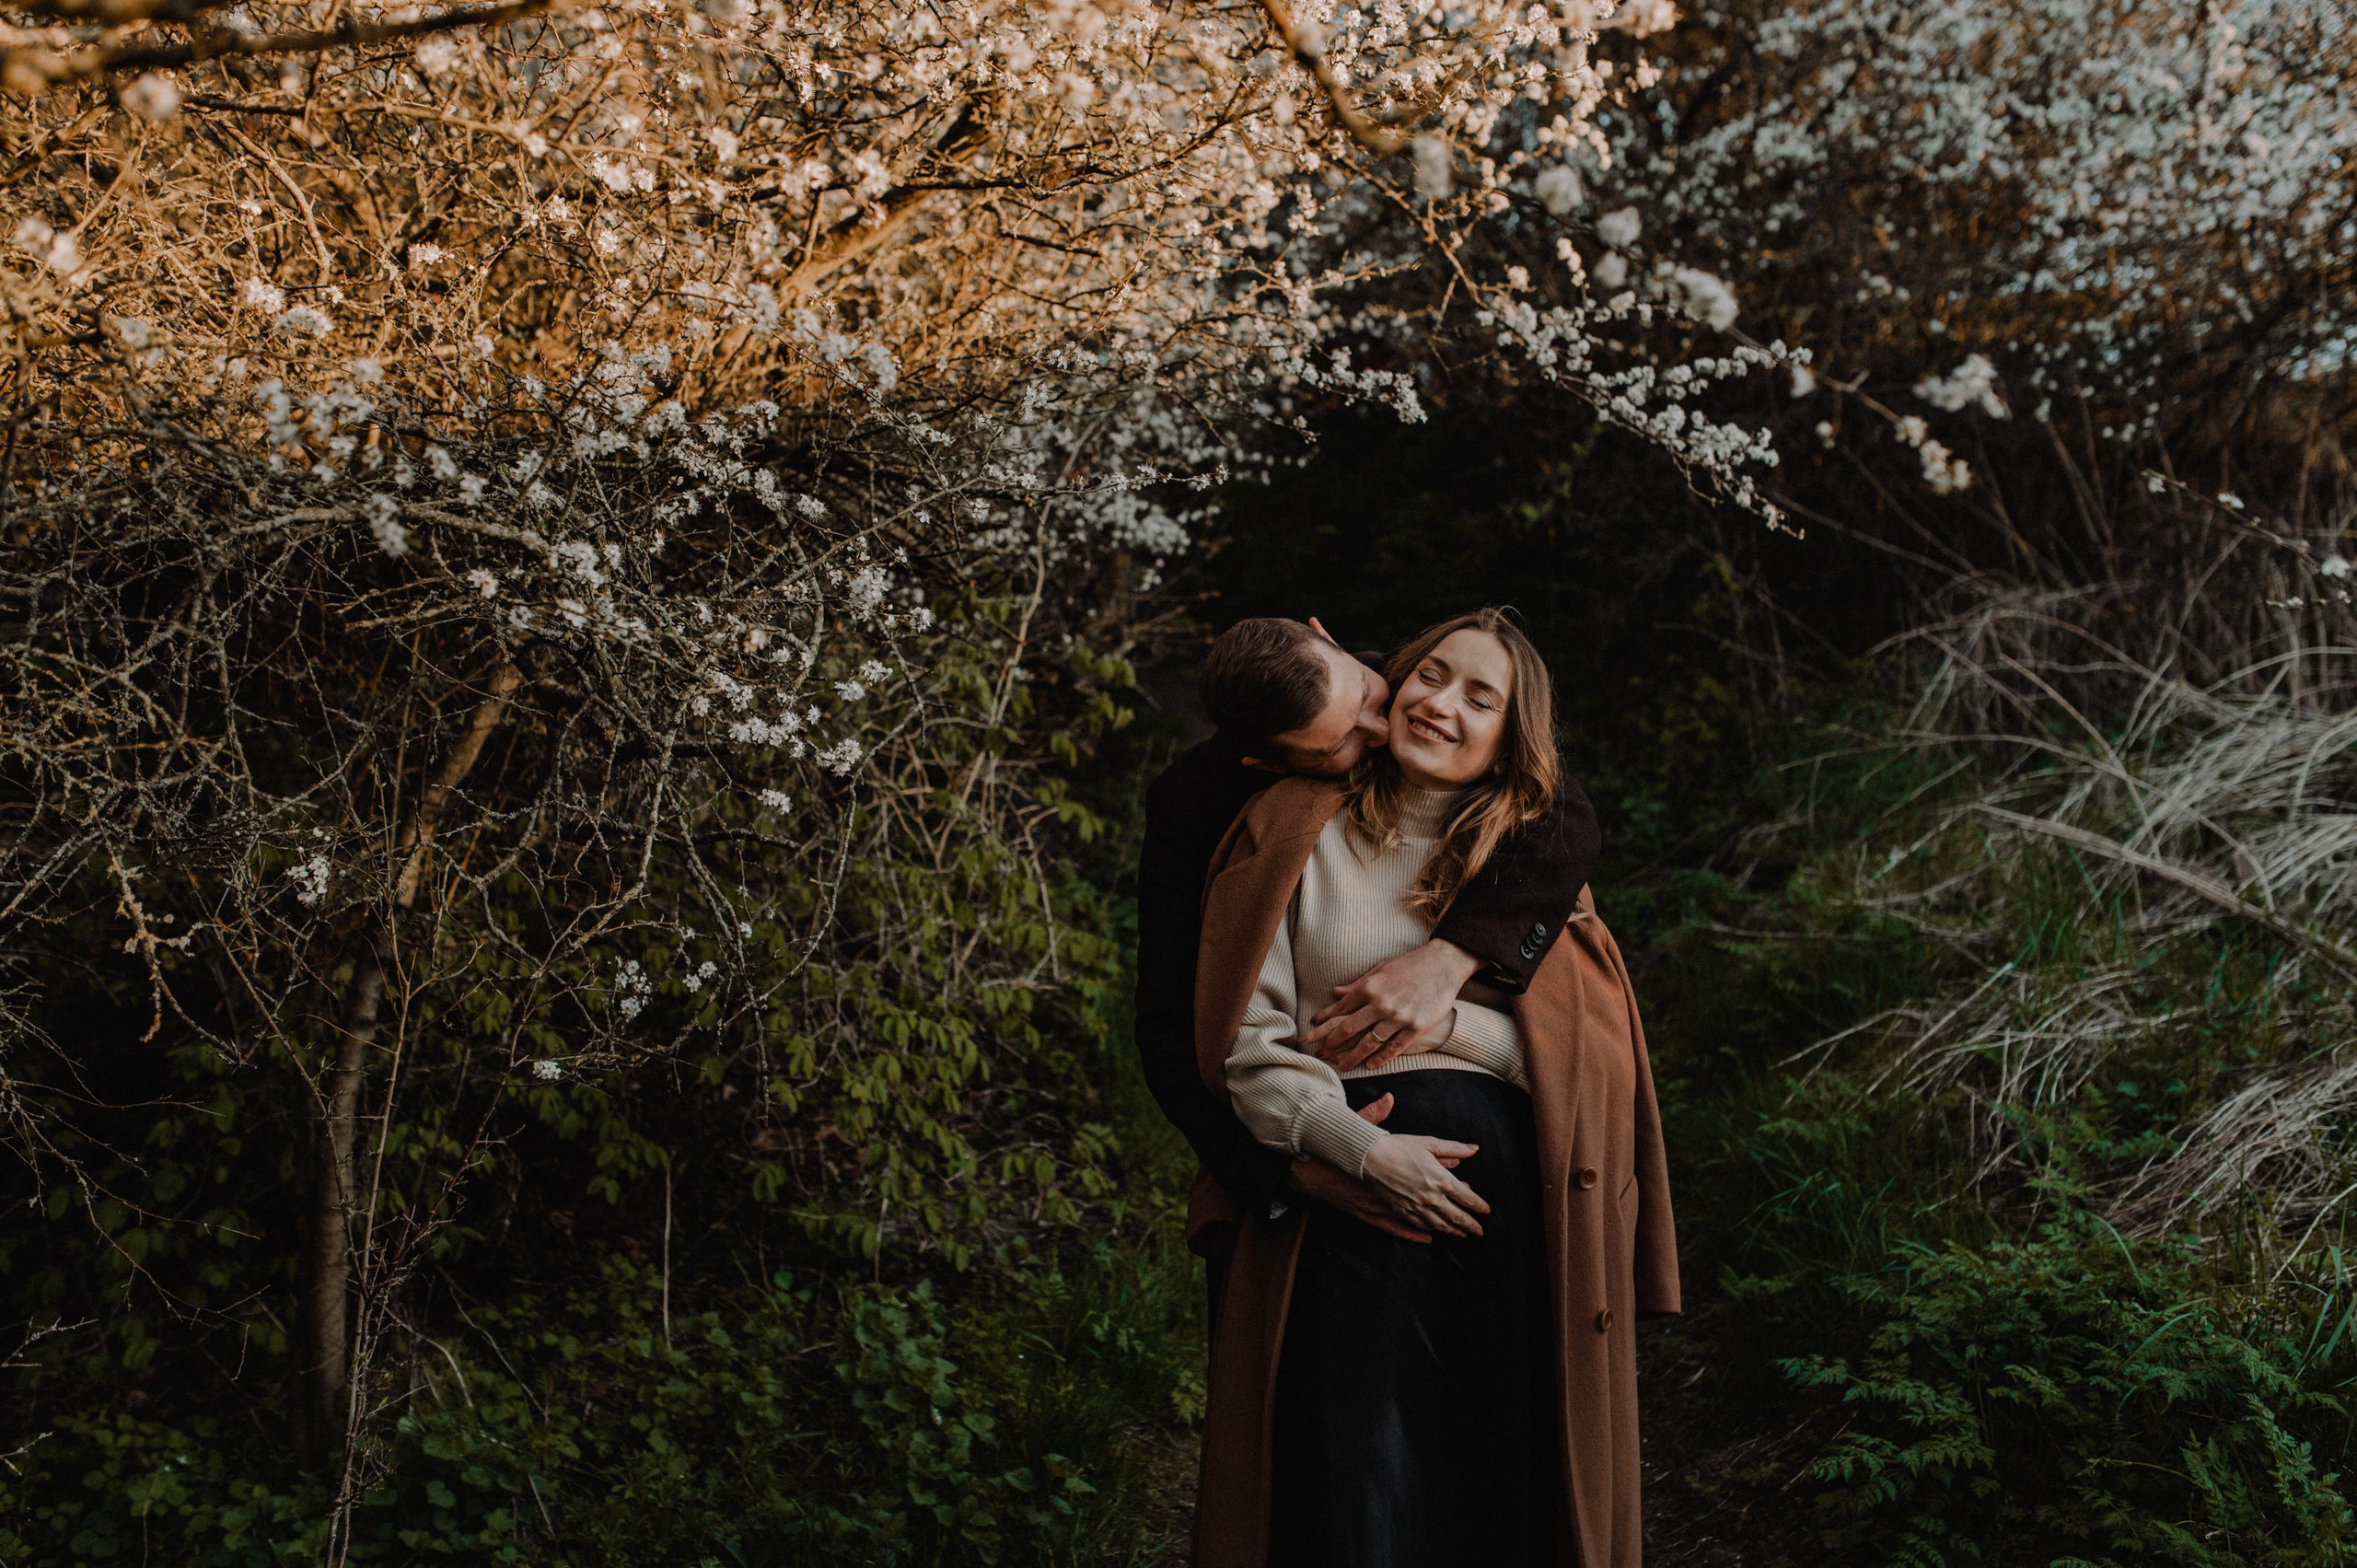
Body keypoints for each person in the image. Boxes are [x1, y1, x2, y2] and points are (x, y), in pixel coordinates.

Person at [1188, 610, 1678, 1568]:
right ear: (1394, 680)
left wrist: (1443, 1018)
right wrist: (1360, 1146)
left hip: (1507, 1222)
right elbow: (1244, 1041)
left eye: (1479, 695)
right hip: (1346, 1207)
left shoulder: (1534, 868)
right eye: (1431, 675)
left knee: (1495, 1477)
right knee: (1352, 1476)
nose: (1442, 704)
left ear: (1509, 735)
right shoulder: (1288, 830)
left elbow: (1591, 1068)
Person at [1132, 614, 1600, 1314]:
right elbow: (1176, 1031)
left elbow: (1561, 803)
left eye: (1369, 701)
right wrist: (1297, 1171)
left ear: (1332, 639)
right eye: (1344, 742)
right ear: (1274, 763)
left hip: (1499, 1191)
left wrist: (1448, 965)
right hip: (1319, 1174)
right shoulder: (1211, 811)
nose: (1383, 731)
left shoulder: (1420, 689)